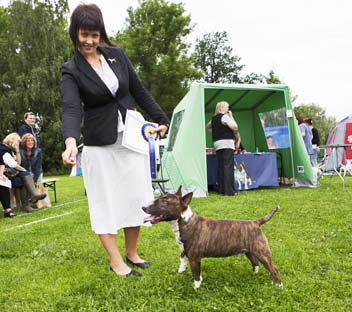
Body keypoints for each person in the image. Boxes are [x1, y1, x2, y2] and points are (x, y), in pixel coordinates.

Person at [61, 4, 170, 277]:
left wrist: (161, 119)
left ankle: (132, 252)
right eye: (84, 34)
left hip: (132, 138)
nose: (89, 40)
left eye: (95, 35)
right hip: (100, 144)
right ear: (75, 33)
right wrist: (70, 141)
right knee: (105, 201)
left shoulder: (117, 56)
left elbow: (138, 90)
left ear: (101, 35)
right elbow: (71, 108)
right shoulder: (71, 70)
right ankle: (115, 260)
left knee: (137, 195)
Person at [0, 133, 46, 213]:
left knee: (23, 179)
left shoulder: (8, 149)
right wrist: (23, 169)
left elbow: (18, 162)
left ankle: (27, 205)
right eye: (17, 142)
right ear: (13, 141)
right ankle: (32, 197)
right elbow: (13, 164)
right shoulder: (3, 149)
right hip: (4, 175)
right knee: (24, 174)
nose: (18, 144)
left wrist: (17, 151)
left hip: (8, 173)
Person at [206, 101, 238, 195]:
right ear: (222, 108)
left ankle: (222, 189)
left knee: (221, 167)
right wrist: (231, 116)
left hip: (217, 144)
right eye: (227, 107)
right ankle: (229, 191)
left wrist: (216, 131)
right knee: (228, 166)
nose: (228, 109)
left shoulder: (213, 118)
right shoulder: (225, 117)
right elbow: (235, 127)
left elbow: (208, 127)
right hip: (227, 143)